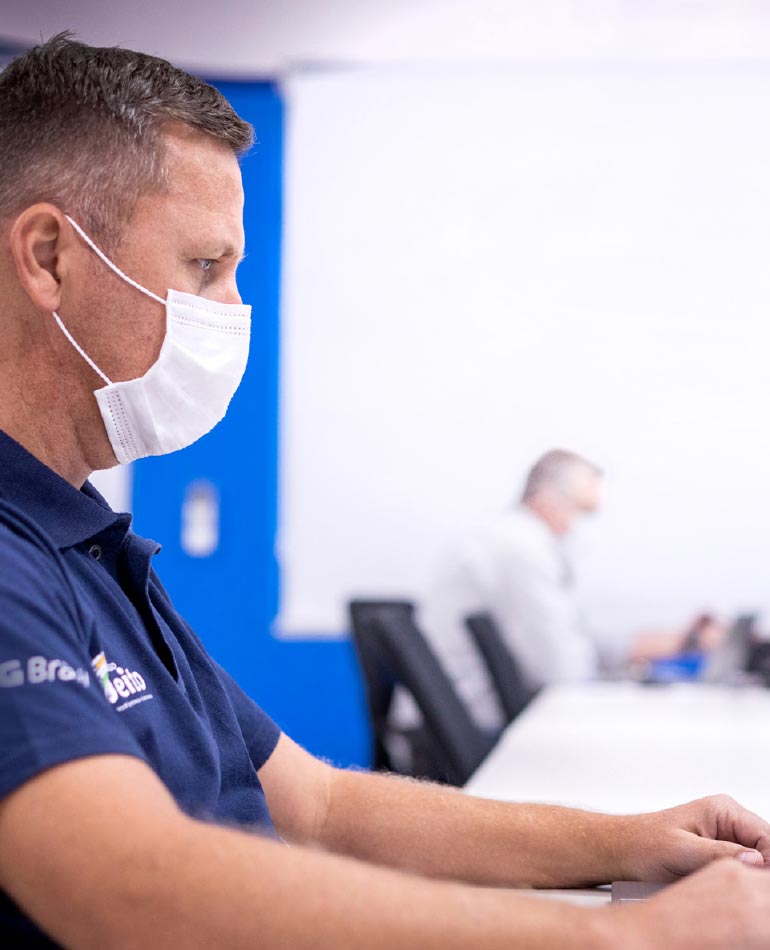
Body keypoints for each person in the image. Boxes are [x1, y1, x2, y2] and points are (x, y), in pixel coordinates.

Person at [1, 35, 770, 950]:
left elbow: (319, 808)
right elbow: (124, 886)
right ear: (48, 256)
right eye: (205, 267)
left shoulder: (92, 549)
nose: (231, 307)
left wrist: (631, 841)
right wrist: (632, 941)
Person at [417, 449, 717, 731]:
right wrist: (632, 676)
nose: (580, 526)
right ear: (547, 498)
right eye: (582, 511)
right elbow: (562, 669)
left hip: (477, 714)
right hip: (479, 722)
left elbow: (575, 637)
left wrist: (677, 642)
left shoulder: (515, 540)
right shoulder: (521, 549)